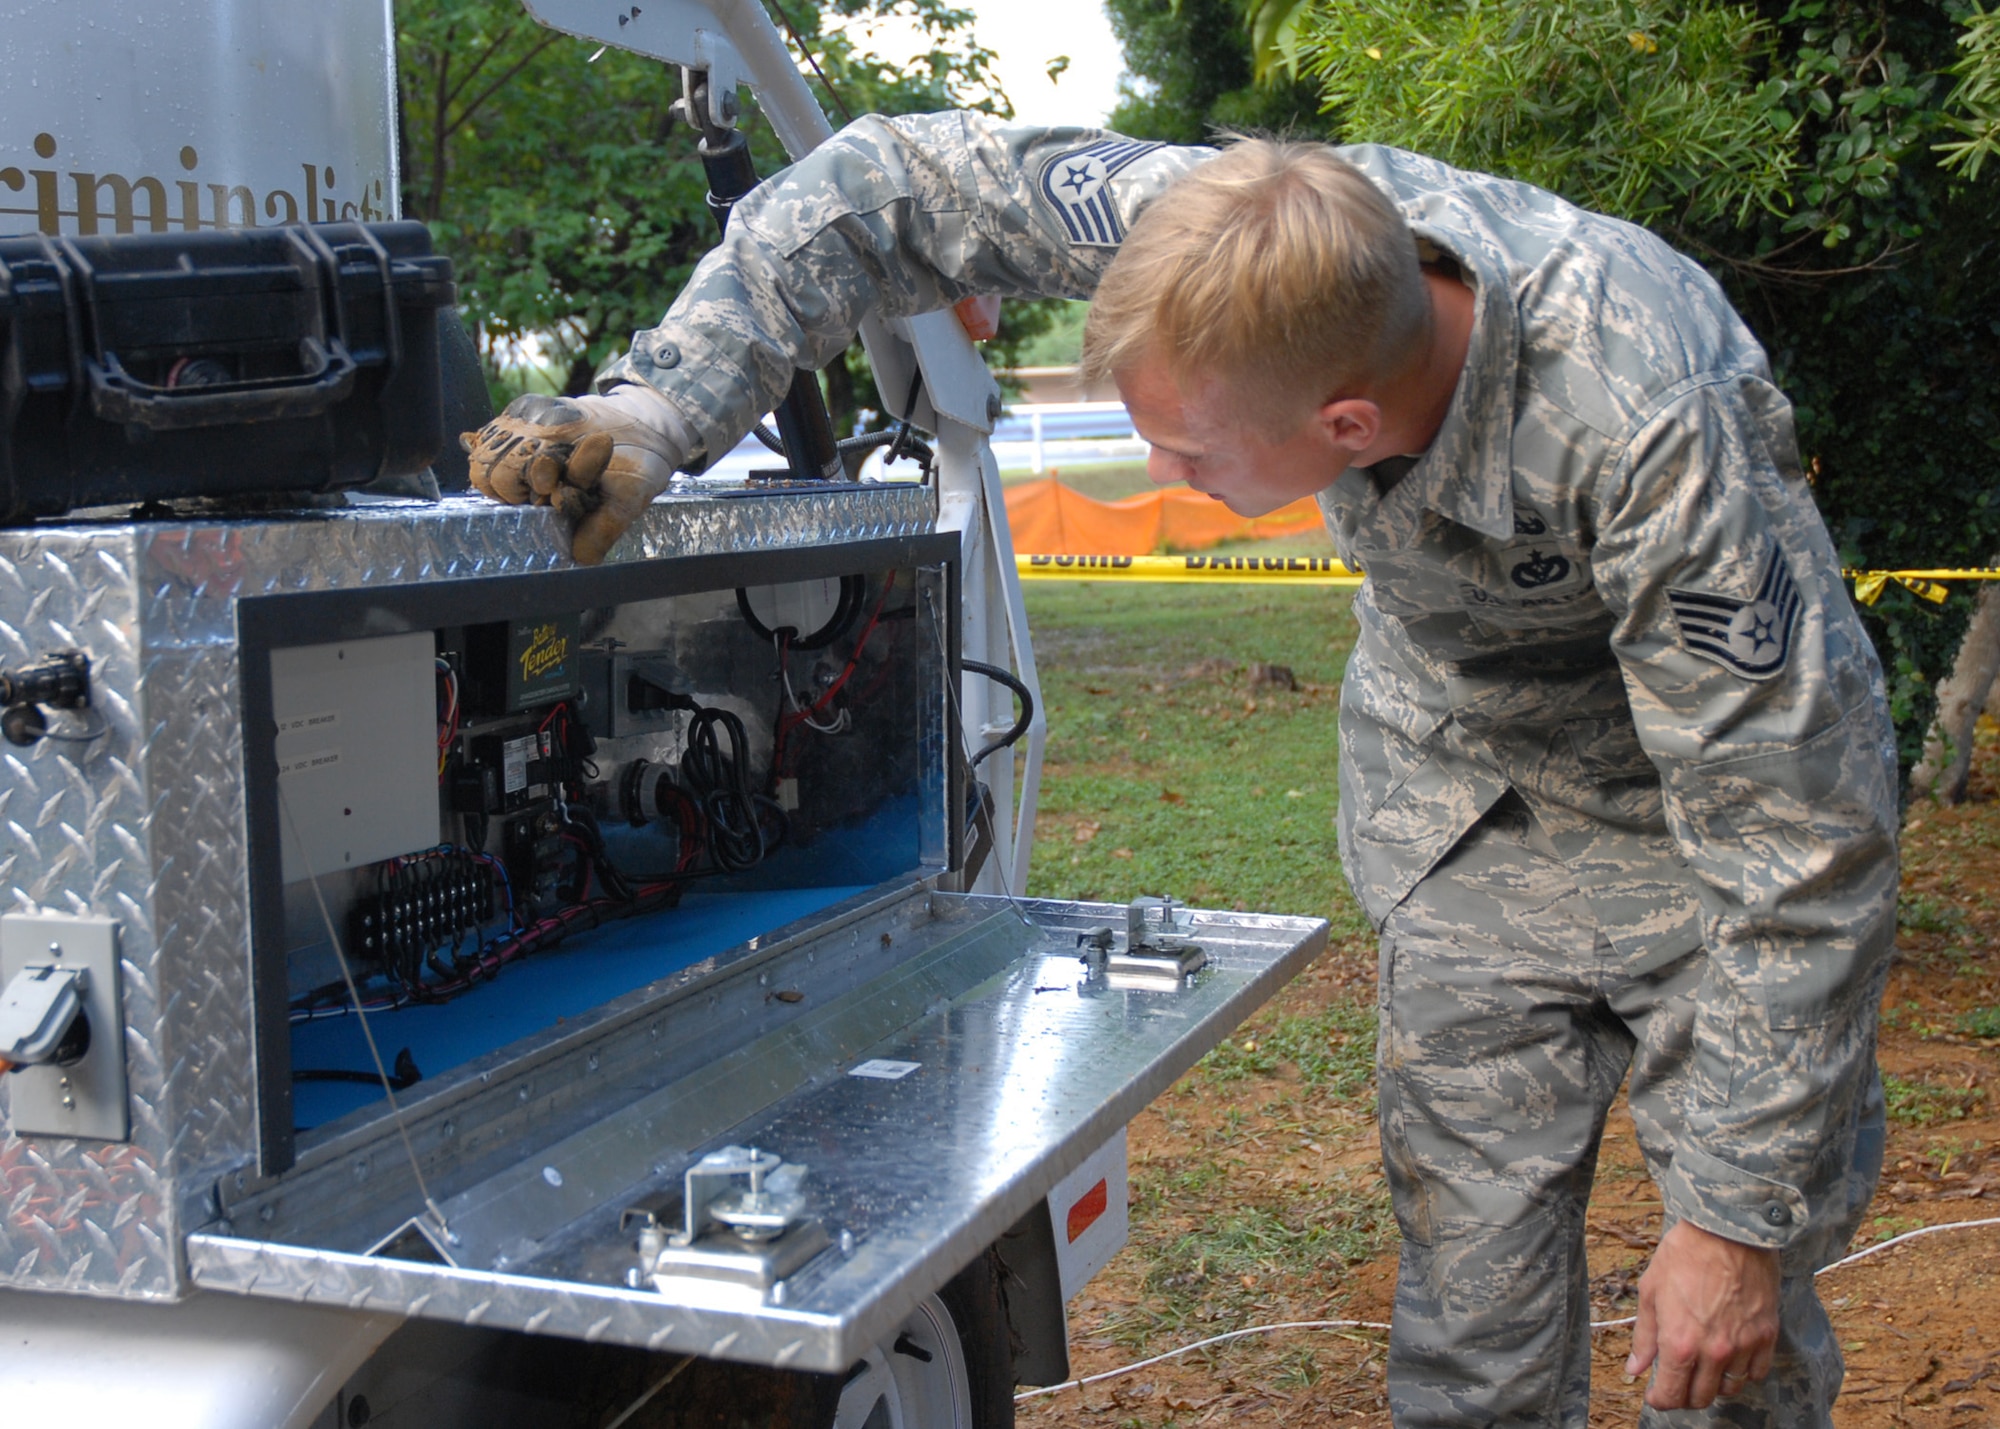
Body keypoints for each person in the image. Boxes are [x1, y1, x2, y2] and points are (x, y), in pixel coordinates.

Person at [464, 113, 1897, 1427]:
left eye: (1187, 449)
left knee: (1727, 1356)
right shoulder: (1235, 237)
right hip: (1468, 801)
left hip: (1693, 832)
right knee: (1475, 1326)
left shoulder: (1653, 420)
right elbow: (890, 179)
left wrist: (1737, 1221)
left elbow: (1801, 832)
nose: (1158, 466)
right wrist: (660, 405)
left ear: (1345, 428)